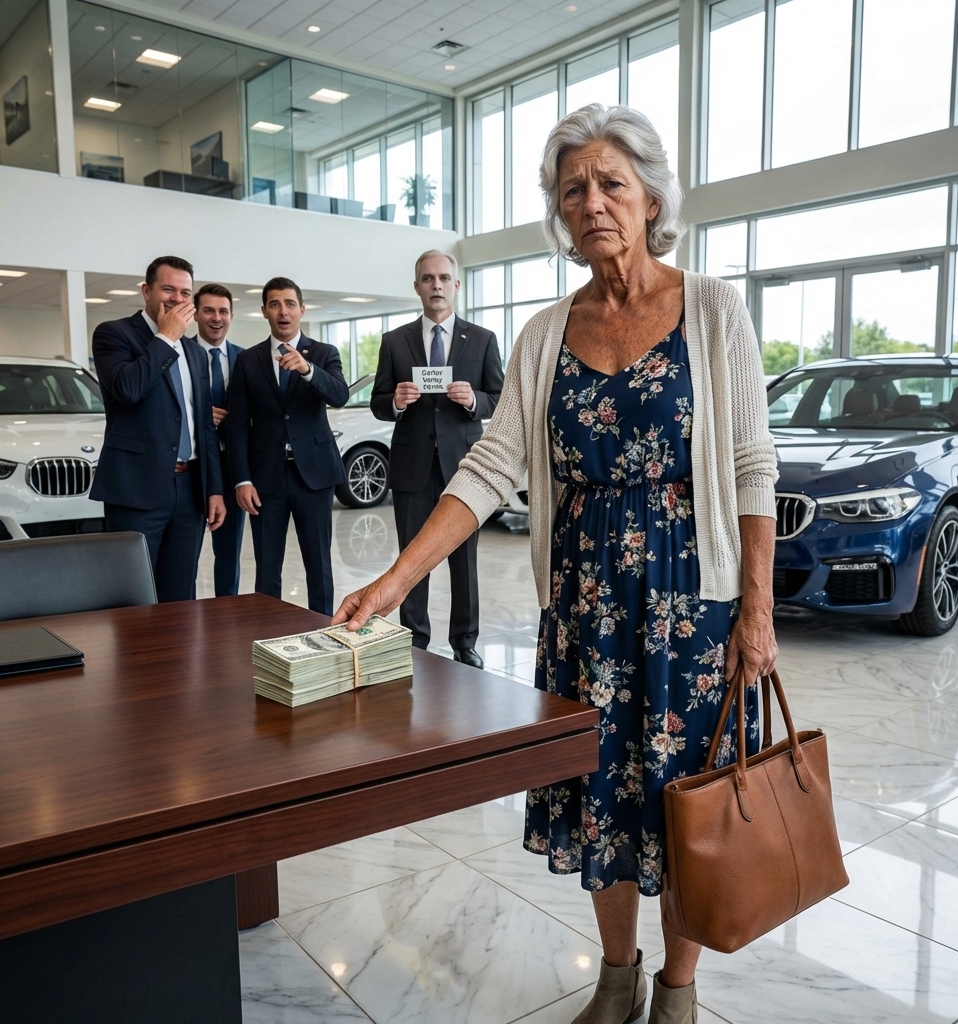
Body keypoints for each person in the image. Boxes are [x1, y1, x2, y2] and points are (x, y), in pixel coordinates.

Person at [333, 104, 778, 1024]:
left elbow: (752, 466)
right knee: (602, 794)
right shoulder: (544, 334)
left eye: (612, 183)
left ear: (652, 198)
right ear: (559, 214)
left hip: (692, 603)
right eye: (573, 190)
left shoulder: (714, 310)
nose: (593, 203)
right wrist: (395, 580)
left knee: (687, 799)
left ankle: (678, 988)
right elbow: (488, 468)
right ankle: (616, 977)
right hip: (584, 608)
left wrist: (759, 610)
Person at [370, 250, 504, 667]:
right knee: (412, 558)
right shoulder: (395, 341)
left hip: (464, 469)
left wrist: (473, 400)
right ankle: (414, 641)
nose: (437, 285)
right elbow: (377, 402)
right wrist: (395, 401)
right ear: (417, 287)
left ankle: (465, 642)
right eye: (428, 279)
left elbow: (499, 398)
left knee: (464, 562)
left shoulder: (482, 339)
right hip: (412, 469)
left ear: (456, 285)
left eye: (444, 278)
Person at [91, 255, 226, 602]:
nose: (177, 299)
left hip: (190, 490)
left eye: (185, 293)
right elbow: (128, 389)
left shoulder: (195, 352)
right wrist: (166, 337)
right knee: (132, 595)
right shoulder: (113, 334)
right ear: (146, 291)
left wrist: (214, 488)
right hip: (136, 488)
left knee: (181, 596)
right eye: (168, 290)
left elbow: (203, 426)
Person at [227, 277, 349, 615]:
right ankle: (268, 633)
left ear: (302, 310)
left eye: (290, 304)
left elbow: (340, 395)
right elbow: (237, 425)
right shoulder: (248, 360)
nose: (283, 312)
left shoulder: (324, 353)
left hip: (314, 475)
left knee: (319, 566)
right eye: (275, 305)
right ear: (264, 311)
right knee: (267, 568)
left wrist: (308, 370)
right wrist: (242, 480)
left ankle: (323, 631)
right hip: (266, 479)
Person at [194, 283, 245, 597]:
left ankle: (228, 614)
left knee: (228, 554)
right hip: (190, 468)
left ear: (231, 316)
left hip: (230, 469)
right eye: (209, 310)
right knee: (183, 555)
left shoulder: (245, 358)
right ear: (195, 314)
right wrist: (200, 415)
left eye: (223, 311)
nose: (216, 318)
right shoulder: (178, 353)